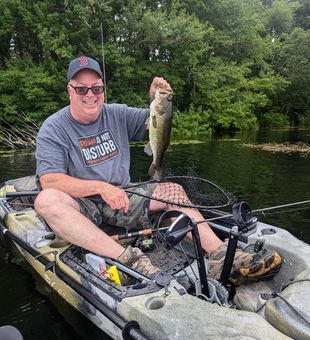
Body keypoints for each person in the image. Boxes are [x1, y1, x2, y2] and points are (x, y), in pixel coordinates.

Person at [34, 56, 281, 285]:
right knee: (46, 201)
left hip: (123, 199)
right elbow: (50, 181)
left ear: (102, 90)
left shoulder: (117, 113)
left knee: (172, 190)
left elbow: (157, 119)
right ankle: (130, 260)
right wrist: (100, 187)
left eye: (96, 88)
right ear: (70, 90)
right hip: (83, 206)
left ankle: (219, 255)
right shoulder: (54, 128)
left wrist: (157, 98)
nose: (90, 94)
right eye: (81, 88)